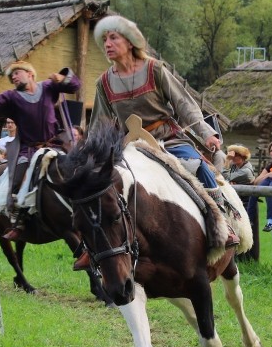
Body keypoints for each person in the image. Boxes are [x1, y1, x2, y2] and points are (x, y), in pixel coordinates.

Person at [88, 15, 236, 255]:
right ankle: (99, 242)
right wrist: (92, 155)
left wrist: (206, 133)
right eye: (104, 39)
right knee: (103, 184)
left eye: (113, 37)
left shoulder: (155, 69)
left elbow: (184, 104)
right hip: (130, 146)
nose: (107, 44)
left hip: (167, 140)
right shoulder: (103, 82)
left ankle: (222, 223)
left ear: (130, 41)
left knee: (198, 167)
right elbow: (99, 123)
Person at [0, 60, 81, 240]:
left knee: (80, 172)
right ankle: (17, 220)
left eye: (16, 72)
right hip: (28, 150)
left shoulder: (49, 87)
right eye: (11, 75)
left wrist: (63, 77)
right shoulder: (11, 97)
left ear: (30, 74)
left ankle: (86, 211)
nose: (13, 77)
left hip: (54, 145)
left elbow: (75, 86)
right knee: (17, 179)